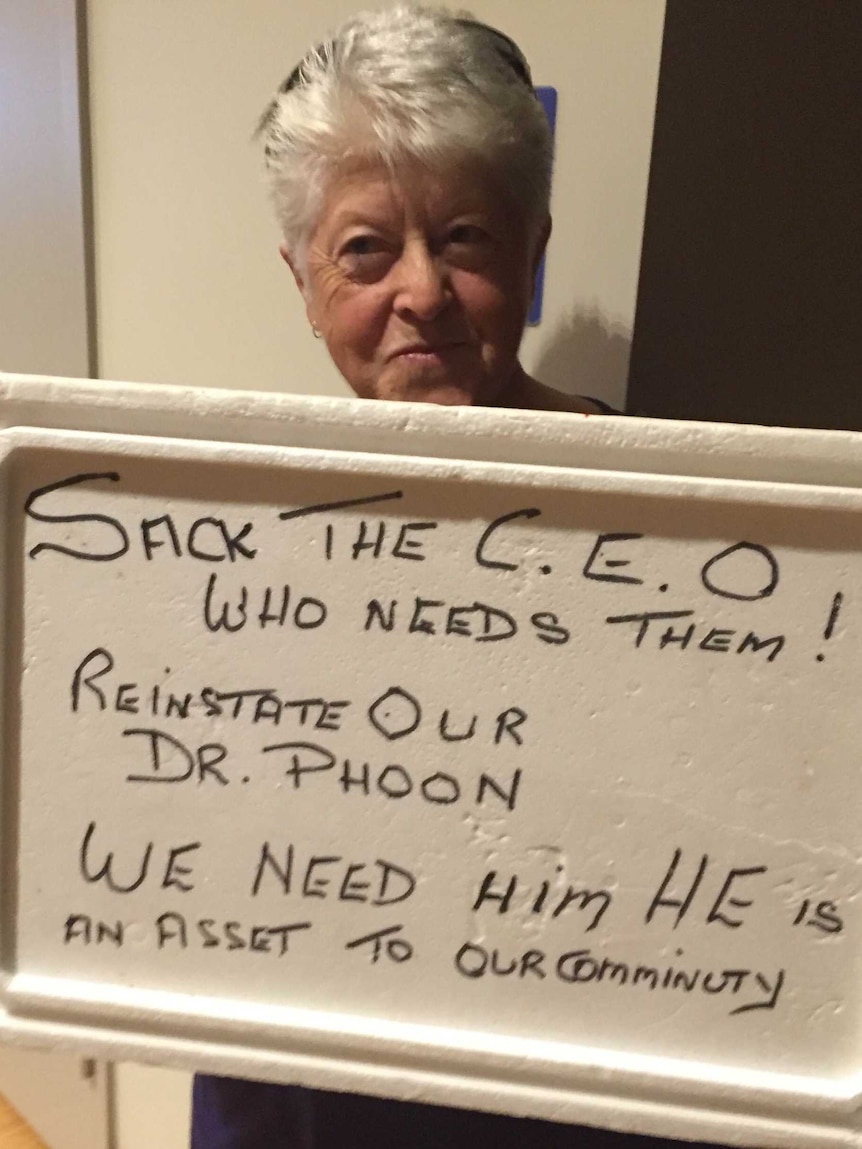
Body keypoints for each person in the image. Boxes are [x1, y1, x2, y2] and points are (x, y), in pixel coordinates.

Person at [192, 6, 710, 1148]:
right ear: (302, 278)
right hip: (301, 1089)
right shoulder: (215, 541)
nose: (418, 291)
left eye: (465, 237)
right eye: (365, 248)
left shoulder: (690, 540)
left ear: (532, 251)